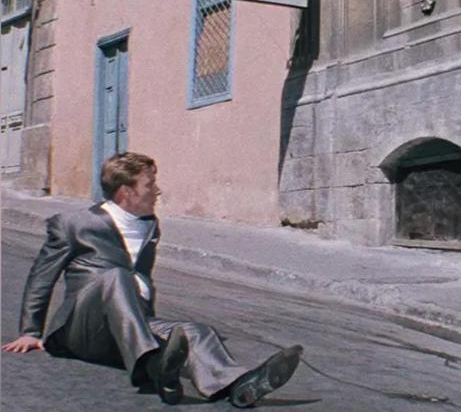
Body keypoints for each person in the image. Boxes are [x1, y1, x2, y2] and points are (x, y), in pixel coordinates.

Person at [2, 152, 302, 407]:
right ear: (126, 193)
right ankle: (155, 366)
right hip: (81, 330)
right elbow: (41, 276)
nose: (157, 191)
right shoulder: (74, 224)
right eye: (150, 184)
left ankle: (239, 385)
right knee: (116, 277)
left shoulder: (150, 224)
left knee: (196, 331)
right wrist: (30, 331)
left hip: (129, 327)